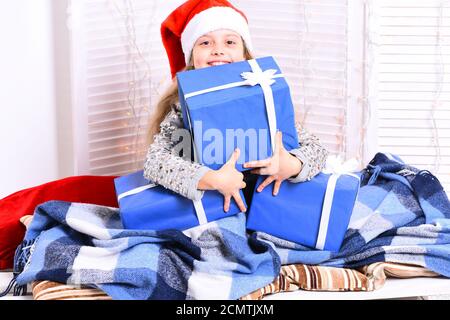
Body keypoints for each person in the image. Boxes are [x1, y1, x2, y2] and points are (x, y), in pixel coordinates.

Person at [144, 0, 328, 213]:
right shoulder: (181, 109)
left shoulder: (264, 97)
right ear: (191, 58)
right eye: (205, 43)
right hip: (213, 213)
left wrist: (292, 165)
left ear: (245, 55)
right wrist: (212, 178)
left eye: (230, 42)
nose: (218, 51)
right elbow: (156, 162)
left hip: (269, 209)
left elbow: (318, 150)